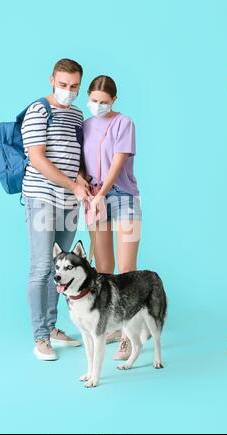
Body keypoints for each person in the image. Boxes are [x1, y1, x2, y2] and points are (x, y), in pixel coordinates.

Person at [21, 58, 91, 361]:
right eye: (63, 85)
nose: (68, 90)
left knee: (63, 268)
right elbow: (37, 158)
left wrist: (80, 182)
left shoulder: (77, 114)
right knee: (42, 267)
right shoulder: (38, 111)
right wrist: (71, 184)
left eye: (74, 86)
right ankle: (40, 337)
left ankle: (52, 328)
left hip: (69, 201)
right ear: (52, 80)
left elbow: (76, 156)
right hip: (41, 197)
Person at [82, 75, 142, 360]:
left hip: (122, 198)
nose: (98, 106)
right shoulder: (85, 126)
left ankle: (130, 337)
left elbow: (118, 162)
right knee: (104, 269)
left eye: (104, 102)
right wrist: (86, 190)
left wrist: (102, 192)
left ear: (114, 101)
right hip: (94, 199)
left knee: (127, 268)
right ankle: (112, 327)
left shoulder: (124, 123)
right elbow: (81, 164)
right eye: (93, 101)